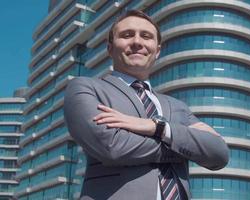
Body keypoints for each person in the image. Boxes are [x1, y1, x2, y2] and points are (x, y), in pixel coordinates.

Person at [64, 10, 229, 200]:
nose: (137, 42)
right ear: (109, 48)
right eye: (127, 35)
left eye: (146, 36)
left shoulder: (178, 107)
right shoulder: (86, 88)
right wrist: (183, 146)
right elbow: (111, 146)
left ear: (157, 50)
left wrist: (157, 128)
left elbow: (219, 152)